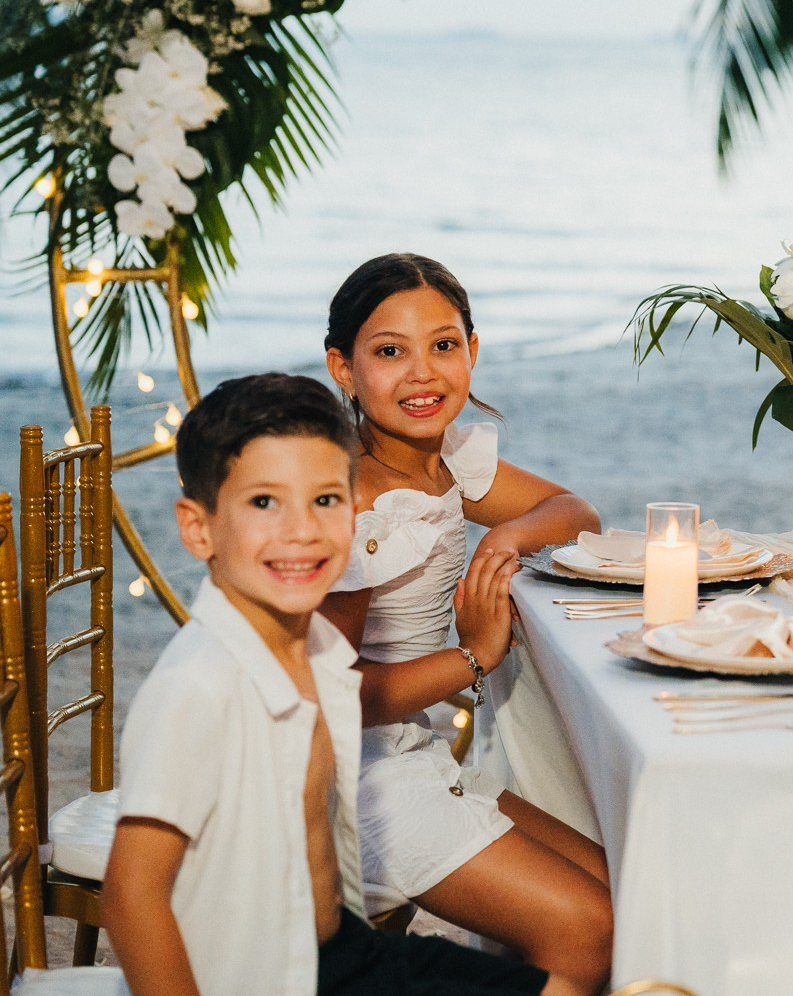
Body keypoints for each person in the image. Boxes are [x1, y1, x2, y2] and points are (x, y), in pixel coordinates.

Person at [101, 373, 553, 995]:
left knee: (557, 985)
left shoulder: (316, 653)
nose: (303, 530)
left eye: (326, 500)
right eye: (264, 502)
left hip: (342, 946)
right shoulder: (201, 685)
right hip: (265, 975)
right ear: (198, 528)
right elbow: (132, 898)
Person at [318, 255, 612, 994]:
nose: (422, 373)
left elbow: (577, 511)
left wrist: (504, 536)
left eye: (443, 345)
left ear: (472, 352)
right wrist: (475, 655)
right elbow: (335, 696)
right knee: (589, 927)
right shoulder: (348, 500)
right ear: (343, 368)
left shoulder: (447, 463)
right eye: (389, 351)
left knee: (625, 884)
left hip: (427, 757)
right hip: (358, 781)